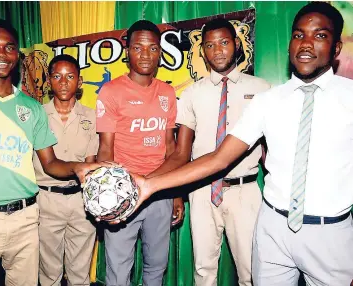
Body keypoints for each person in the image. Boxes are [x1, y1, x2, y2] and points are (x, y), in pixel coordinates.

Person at [133, 2, 353, 285]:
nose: (306, 44)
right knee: (205, 269)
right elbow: (217, 159)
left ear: (336, 48)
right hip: (271, 225)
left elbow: (266, 156)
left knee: (248, 274)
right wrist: (150, 185)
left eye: (319, 35)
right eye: (298, 35)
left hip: (327, 230)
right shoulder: (269, 101)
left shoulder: (269, 89)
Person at [0, 18, 108, 286]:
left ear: (18, 54)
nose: (2, 54)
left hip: (25, 219)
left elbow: (50, 162)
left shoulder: (31, 108)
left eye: (10, 48)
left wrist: (78, 168)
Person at [151, 18, 270, 286]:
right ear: (202, 50)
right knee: (203, 271)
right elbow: (181, 153)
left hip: (246, 190)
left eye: (224, 42)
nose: (217, 50)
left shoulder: (262, 89)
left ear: (237, 45)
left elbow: (269, 149)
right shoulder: (191, 94)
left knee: (252, 271)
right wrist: (176, 193)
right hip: (202, 191)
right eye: (210, 45)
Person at [96, 20, 184, 286]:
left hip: (160, 192)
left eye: (153, 48)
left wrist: (177, 194)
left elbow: (171, 147)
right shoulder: (111, 91)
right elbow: (105, 149)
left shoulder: (168, 92)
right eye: (138, 47)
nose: (146, 55)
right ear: (127, 52)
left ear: (160, 52)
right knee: (119, 271)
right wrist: (109, 197)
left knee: (156, 267)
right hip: (124, 194)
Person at [32, 54, 99, 285]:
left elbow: (90, 163)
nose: (63, 82)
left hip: (81, 201)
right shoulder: (36, 114)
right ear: (49, 81)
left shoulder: (91, 116)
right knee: (49, 272)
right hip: (46, 200)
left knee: (80, 274)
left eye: (70, 76)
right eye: (57, 76)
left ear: (79, 82)